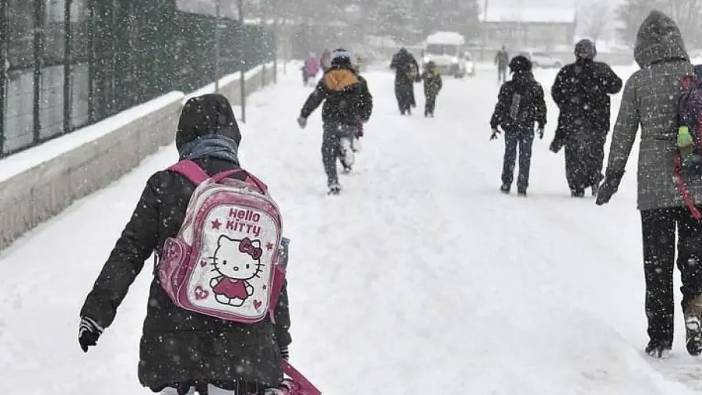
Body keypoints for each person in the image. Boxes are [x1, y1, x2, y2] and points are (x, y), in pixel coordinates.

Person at [78, 94, 292, 394]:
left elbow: (129, 252)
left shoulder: (165, 184)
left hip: (175, 347)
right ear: (233, 137)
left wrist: (96, 313)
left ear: (184, 136)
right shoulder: (255, 193)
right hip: (247, 352)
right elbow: (273, 276)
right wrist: (280, 343)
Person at [596, 11, 702, 359]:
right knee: (694, 260)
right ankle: (696, 312)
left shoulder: (640, 82)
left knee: (657, 264)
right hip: (695, 185)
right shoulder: (694, 77)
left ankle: (659, 338)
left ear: (643, 46)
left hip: (655, 189)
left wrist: (612, 176)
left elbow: (623, 133)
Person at [551, 39, 622, 197]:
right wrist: (601, 87)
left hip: (572, 121)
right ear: (593, 52)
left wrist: (567, 104)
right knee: (595, 153)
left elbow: (556, 92)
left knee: (573, 155)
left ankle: (577, 185)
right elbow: (617, 85)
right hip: (598, 121)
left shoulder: (567, 71)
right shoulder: (602, 69)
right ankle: (594, 178)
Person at [297, 49, 373, 195]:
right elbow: (367, 101)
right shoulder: (359, 80)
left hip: (331, 120)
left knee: (328, 151)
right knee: (347, 135)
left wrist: (304, 115)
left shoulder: (327, 79)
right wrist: (364, 115)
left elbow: (315, 98)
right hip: (350, 121)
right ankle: (349, 145)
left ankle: (333, 181)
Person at [489, 55, 547, 197]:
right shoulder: (536, 87)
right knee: (525, 156)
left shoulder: (508, 87)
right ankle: (522, 184)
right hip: (528, 126)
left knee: (509, 154)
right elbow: (541, 107)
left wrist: (494, 123)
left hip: (511, 125)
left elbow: (500, 107)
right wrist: (541, 123)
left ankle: (506, 182)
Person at [390, 48, 420, 115]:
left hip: (399, 78)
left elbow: (392, 66)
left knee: (399, 93)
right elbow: (416, 66)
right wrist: (417, 76)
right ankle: (409, 105)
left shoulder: (397, 56)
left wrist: (398, 66)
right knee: (409, 92)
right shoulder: (410, 56)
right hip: (408, 77)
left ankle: (402, 108)